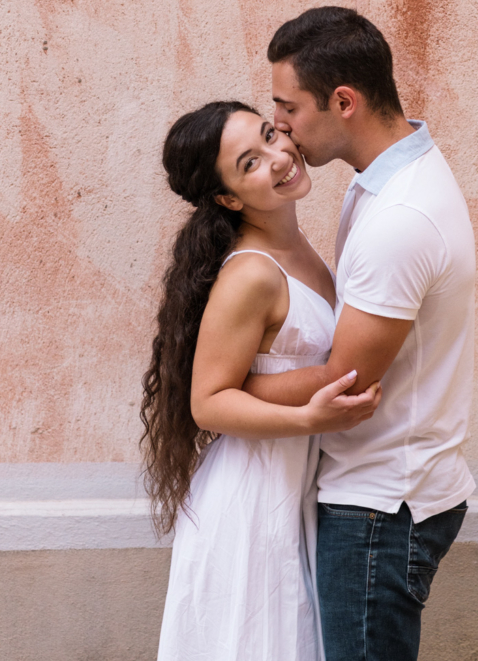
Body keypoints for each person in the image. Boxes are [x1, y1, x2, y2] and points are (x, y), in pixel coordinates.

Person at [246, 7, 476, 661]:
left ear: (342, 101)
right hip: (378, 493)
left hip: (379, 507)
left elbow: (344, 382)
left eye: (288, 107)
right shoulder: (383, 182)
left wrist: (228, 386)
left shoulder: (399, 215)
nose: (280, 125)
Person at [141, 99, 380, 661]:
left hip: (294, 490)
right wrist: (305, 418)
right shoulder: (251, 273)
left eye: (272, 135)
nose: (279, 157)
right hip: (254, 504)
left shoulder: (299, 249)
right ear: (228, 198)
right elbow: (207, 401)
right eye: (249, 163)